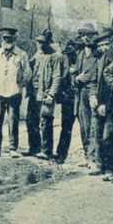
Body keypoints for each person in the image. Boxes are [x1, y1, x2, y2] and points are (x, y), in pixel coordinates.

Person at [0, 26, 31, 158]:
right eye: (5, 38)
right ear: (2, 39)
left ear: (15, 39)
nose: (7, 41)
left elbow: (28, 73)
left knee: (13, 121)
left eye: (10, 38)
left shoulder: (21, 54)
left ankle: (13, 148)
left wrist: (20, 84)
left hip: (14, 92)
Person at [30, 30, 66, 160]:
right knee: (33, 121)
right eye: (38, 42)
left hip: (46, 94)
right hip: (35, 93)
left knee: (46, 122)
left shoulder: (56, 57)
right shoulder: (38, 55)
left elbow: (57, 77)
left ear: (49, 43)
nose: (40, 45)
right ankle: (34, 148)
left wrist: (51, 94)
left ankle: (46, 150)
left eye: (43, 42)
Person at [88, 29, 113, 178]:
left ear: (112, 43)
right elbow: (94, 80)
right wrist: (93, 95)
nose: (103, 48)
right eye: (100, 46)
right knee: (98, 134)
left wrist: (105, 103)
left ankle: (110, 168)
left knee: (109, 136)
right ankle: (100, 165)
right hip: (98, 103)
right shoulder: (99, 60)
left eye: (106, 44)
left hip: (112, 104)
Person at [71, 24, 99, 167]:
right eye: (83, 35)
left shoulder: (99, 53)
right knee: (84, 125)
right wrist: (77, 78)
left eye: (89, 35)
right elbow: (74, 74)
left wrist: (94, 93)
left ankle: (94, 158)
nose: (86, 38)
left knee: (94, 126)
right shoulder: (81, 54)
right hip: (81, 93)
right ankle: (87, 156)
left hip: (94, 93)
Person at [52, 37, 77, 164]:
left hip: (81, 96)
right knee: (66, 128)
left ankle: (91, 158)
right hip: (69, 98)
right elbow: (61, 77)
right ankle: (61, 153)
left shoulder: (85, 57)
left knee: (88, 129)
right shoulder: (63, 59)